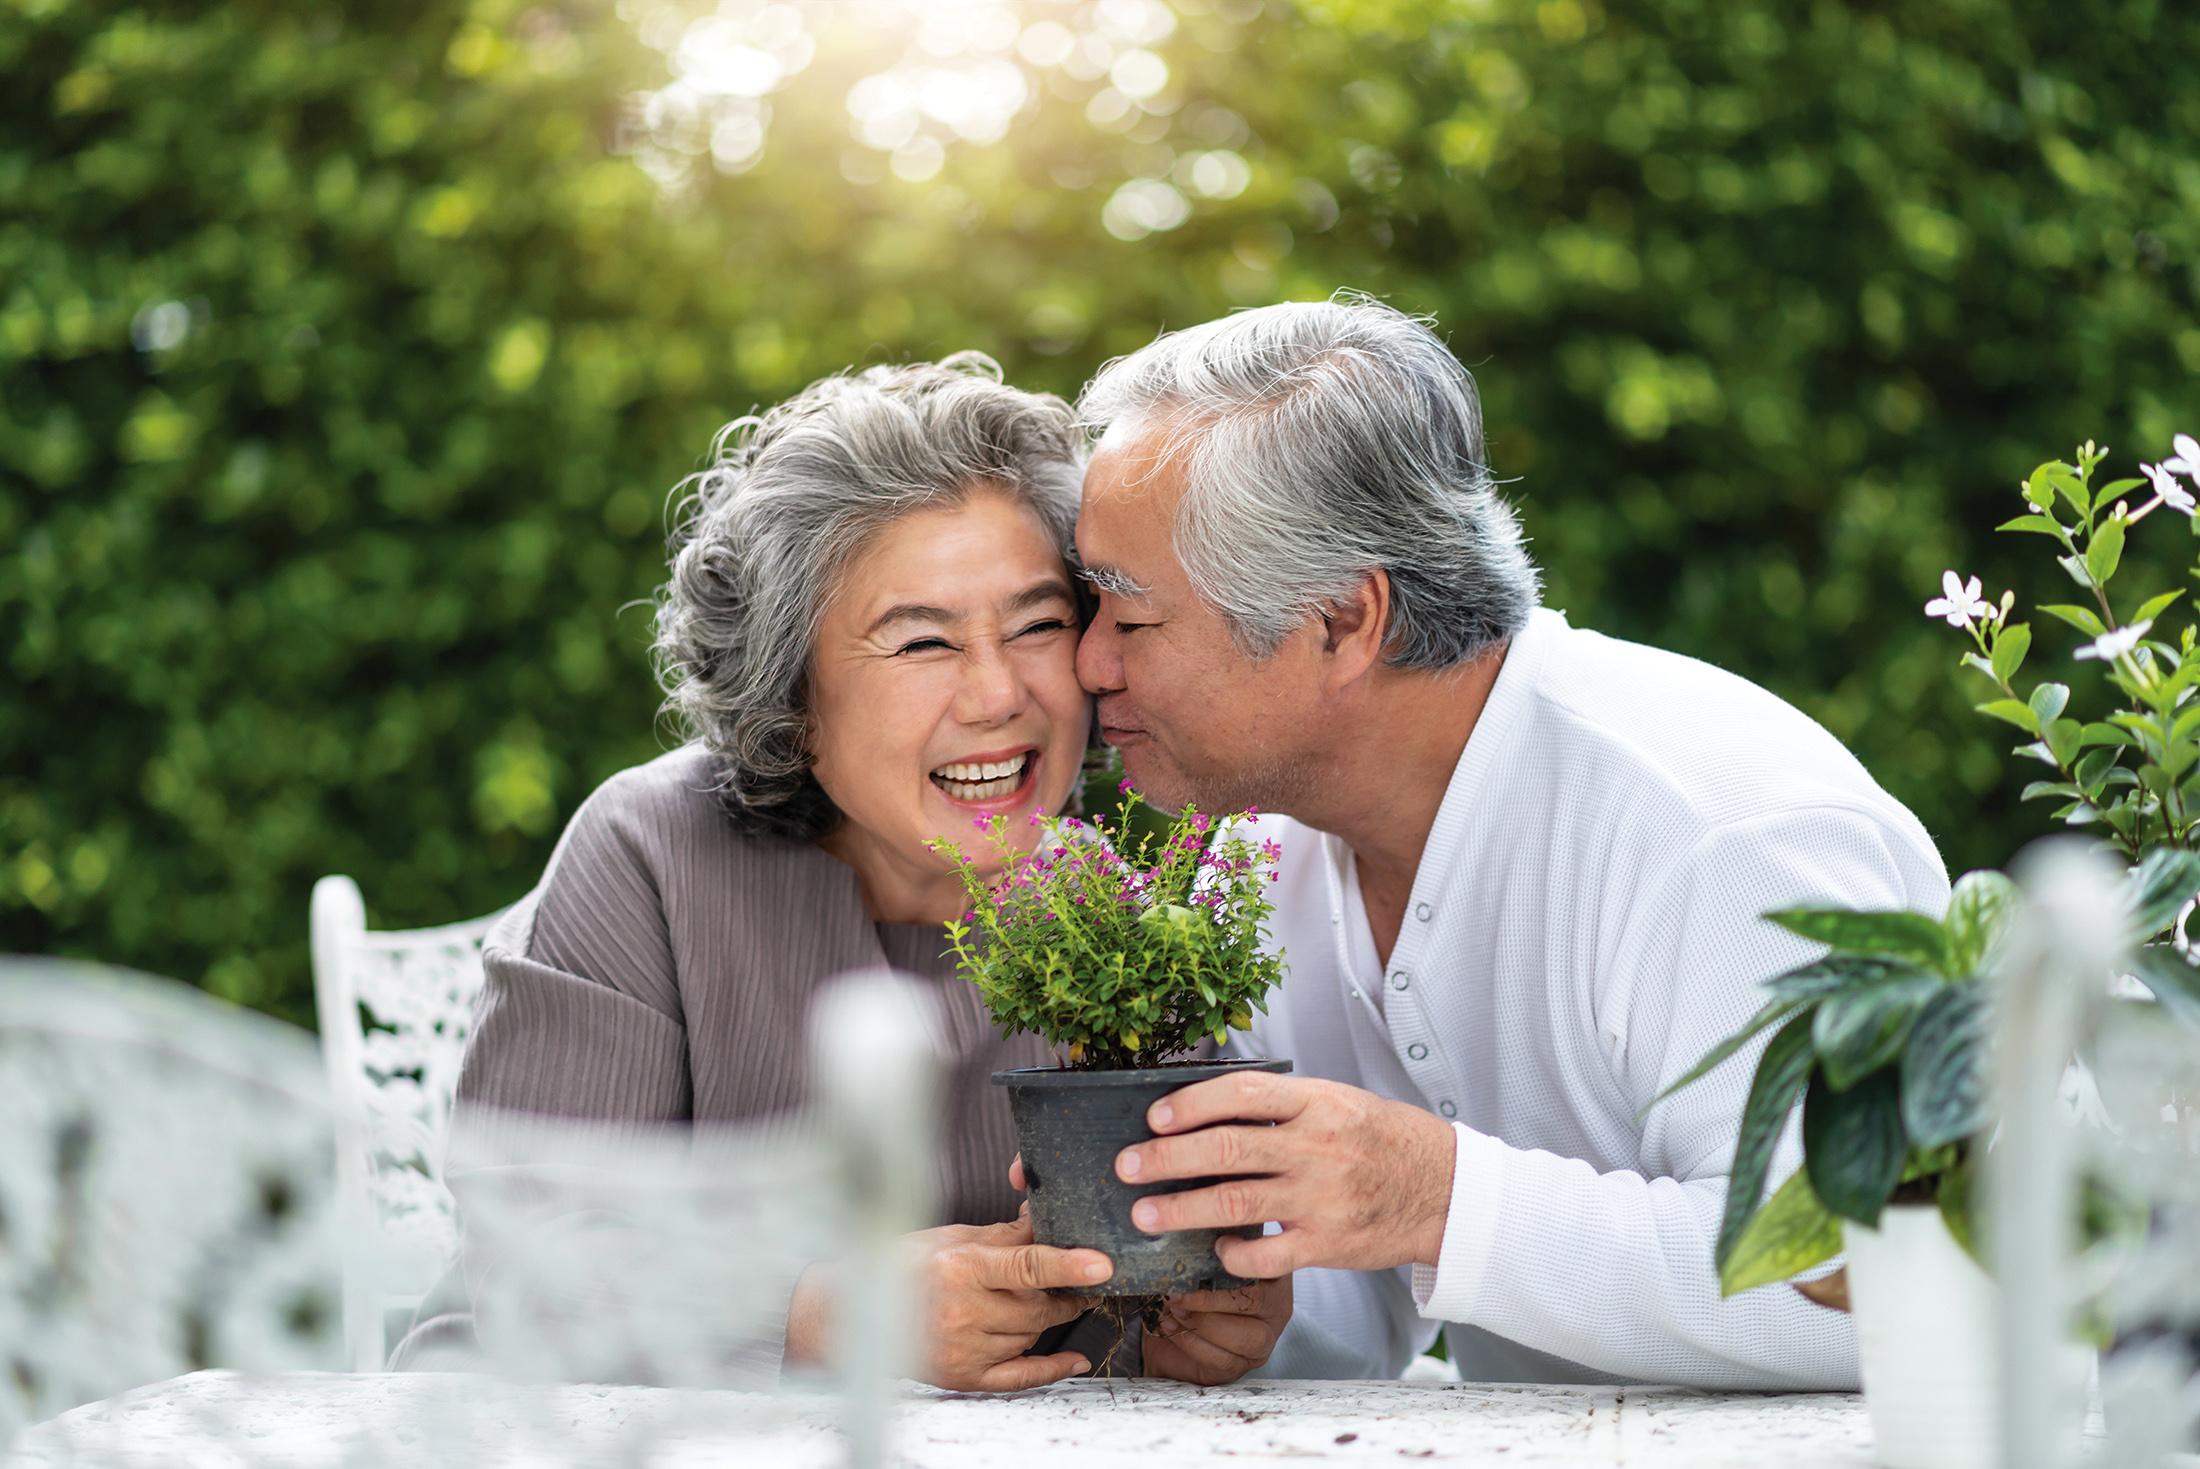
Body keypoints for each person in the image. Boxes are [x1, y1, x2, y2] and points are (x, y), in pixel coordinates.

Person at [1060, 294, 1949, 1388]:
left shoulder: (1723, 834)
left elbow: (1896, 1285)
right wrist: (1245, 1305)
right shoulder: (1266, 853)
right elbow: (1351, 1307)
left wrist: (1437, 1197)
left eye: (1128, 616)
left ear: (1343, 620)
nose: (1087, 664)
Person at [395, 355, 1282, 1388]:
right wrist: (816, 1314)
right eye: (919, 643)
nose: (998, 693)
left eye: (1038, 623)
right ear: (791, 696)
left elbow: (1140, 1312)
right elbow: (519, 1281)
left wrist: (1209, 1321)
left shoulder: (1101, 917)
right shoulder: (651, 855)